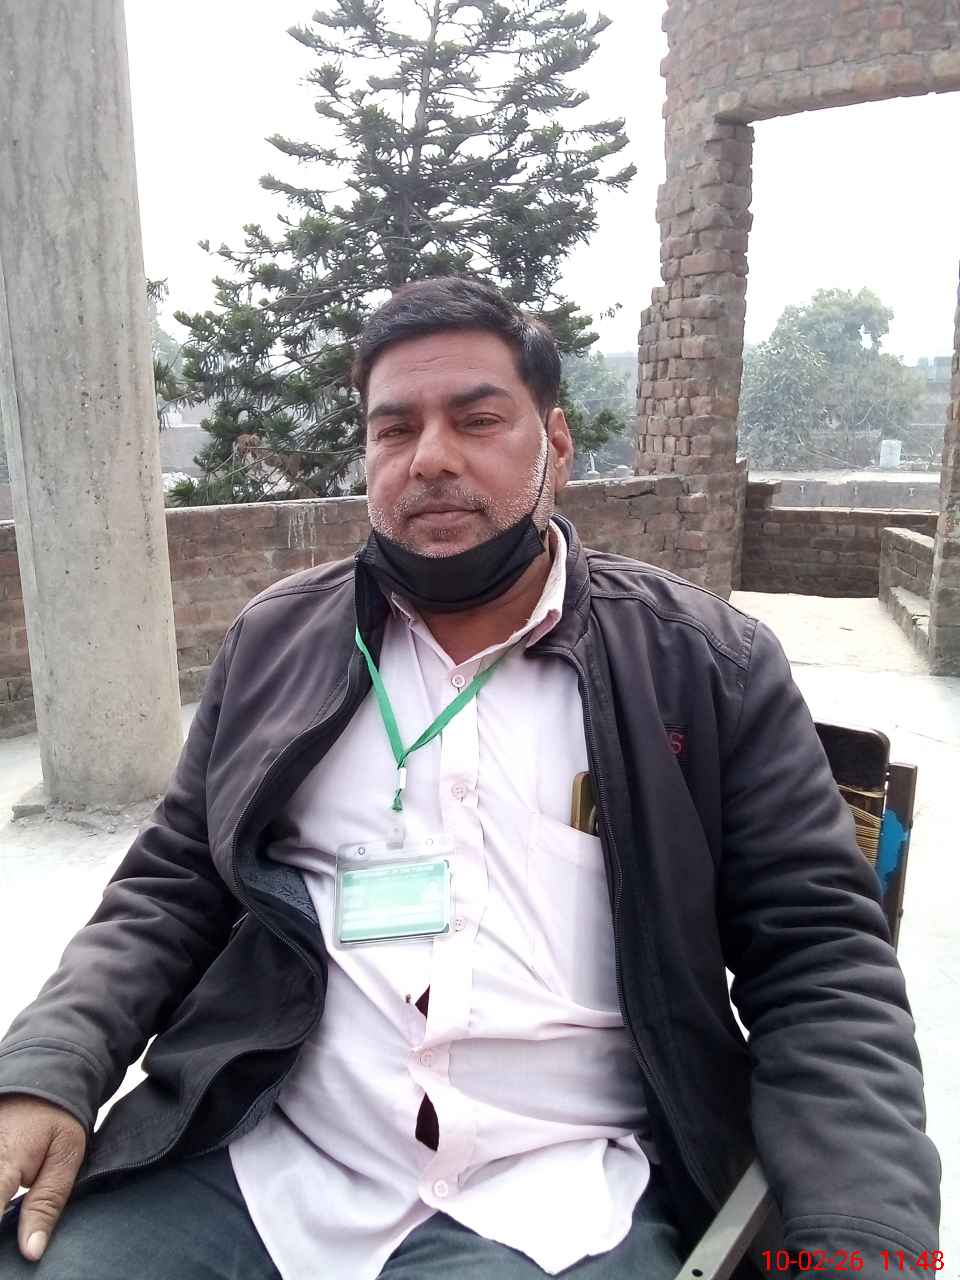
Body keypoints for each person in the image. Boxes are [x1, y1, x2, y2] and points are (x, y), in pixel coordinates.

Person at [0, 278, 939, 1279]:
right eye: (394, 428)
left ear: (557, 445)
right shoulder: (277, 643)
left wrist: (864, 1237)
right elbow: (171, 884)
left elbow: (819, 962)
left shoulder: (704, 667)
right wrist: (50, 1066)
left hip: (557, 1188)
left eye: (478, 419)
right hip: (269, 1155)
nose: (432, 457)